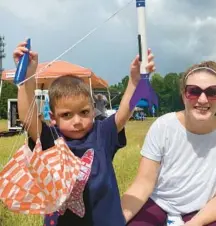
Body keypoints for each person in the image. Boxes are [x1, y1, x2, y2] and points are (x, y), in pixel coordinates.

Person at [13, 40, 155, 226]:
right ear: (52, 116)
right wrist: (27, 78)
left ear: (93, 109)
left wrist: (135, 81)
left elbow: (123, 113)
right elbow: (27, 117)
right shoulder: (50, 139)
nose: (78, 121)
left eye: (84, 112)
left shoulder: (101, 133)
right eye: (67, 115)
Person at [121, 61, 216, 226]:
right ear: (183, 94)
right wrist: (116, 220)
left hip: (202, 209)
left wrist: (194, 223)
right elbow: (143, 183)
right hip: (158, 202)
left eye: (212, 92)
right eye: (194, 91)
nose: (203, 100)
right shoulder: (163, 126)